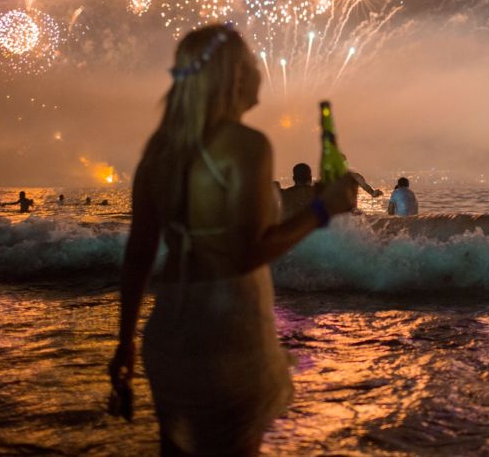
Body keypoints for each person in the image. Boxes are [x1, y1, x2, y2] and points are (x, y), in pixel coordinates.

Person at [109, 24, 358, 455]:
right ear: (235, 76)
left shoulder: (160, 151)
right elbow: (247, 253)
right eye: (253, 64)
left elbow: (138, 256)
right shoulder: (247, 145)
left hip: (167, 334)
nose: (261, 72)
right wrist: (323, 210)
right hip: (226, 334)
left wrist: (124, 341)